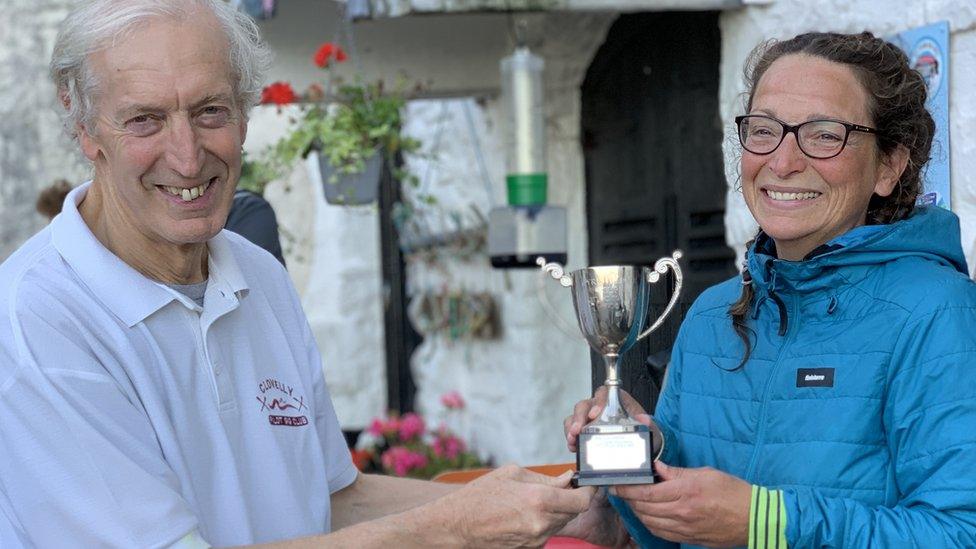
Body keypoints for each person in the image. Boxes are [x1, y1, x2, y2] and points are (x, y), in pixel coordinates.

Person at [0, 1, 626, 547]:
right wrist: (453, 528)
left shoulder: (257, 275)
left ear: (247, 114)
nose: (188, 156)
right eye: (145, 119)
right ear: (83, 125)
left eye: (211, 110)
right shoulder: (38, 320)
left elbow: (330, 501)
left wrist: (539, 506)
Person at [565, 31, 976, 548]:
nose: (782, 162)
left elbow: (962, 534)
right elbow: (678, 534)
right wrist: (630, 474)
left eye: (825, 135)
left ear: (889, 165)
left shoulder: (939, 312)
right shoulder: (713, 315)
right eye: (763, 131)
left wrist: (767, 521)